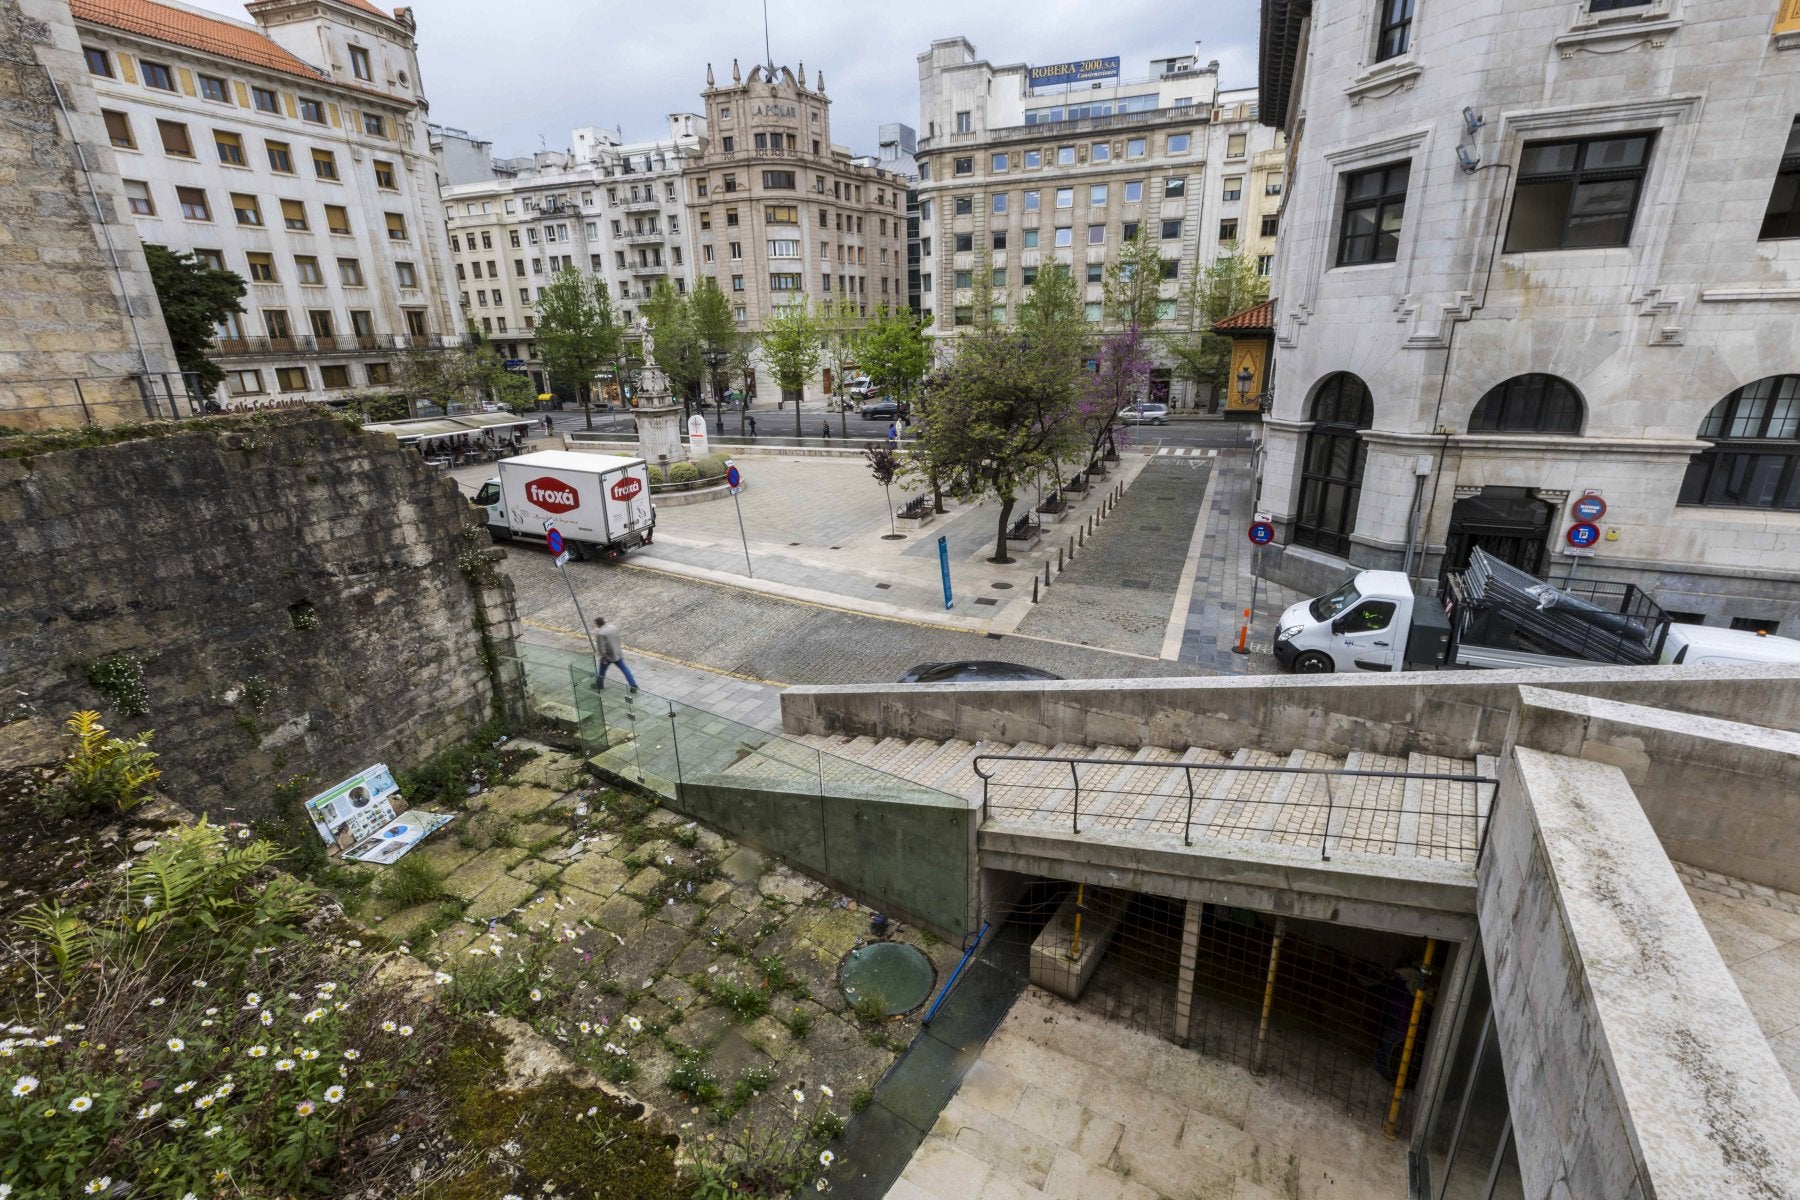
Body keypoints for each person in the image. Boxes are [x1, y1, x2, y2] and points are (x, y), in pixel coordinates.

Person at [593, 617, 638, 693]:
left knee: (602, 671)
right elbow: (617, 638)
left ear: (598, 624)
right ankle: (633, 685)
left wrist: (603, 656)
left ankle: (600, 684)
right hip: (617, 653)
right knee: (625, 669)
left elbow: (601, 647)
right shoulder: (612, 627)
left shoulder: (601, 633)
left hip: (607, 656)